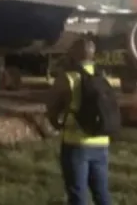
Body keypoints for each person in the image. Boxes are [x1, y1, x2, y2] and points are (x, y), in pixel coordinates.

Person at [46, 37, 112, 205]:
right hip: (101, 140)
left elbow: (52, 106)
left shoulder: (68, 77)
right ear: (92, 54)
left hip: (76, 142)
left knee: (77, 192)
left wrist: (56, 124)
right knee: (102, 192)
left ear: (74, 54)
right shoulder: (102, 76)